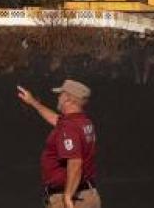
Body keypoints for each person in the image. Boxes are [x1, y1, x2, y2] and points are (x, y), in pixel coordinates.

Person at [17, 79, 99, 208]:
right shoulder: (82, 122)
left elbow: (75, 163)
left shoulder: (69, 127)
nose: (58, 98)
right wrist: (33, 102)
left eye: (61, 95)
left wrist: (67, 197)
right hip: (86, 194)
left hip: (72, 198)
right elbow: (55, 119)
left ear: (68, 99)